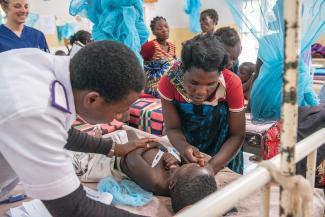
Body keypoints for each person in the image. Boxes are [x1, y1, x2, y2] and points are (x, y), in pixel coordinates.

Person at [0, 41, 158, 217]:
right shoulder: (34, 111)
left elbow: (60, 132)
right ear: (92, 99)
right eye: (119, 111)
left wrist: (113, 148)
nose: (124, 117)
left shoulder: (50, 68)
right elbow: (75, 209)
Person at [158, 34, 245, 175]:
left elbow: (237, 135)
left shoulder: (232, 84)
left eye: (210, 84)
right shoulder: (169, 82)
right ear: (183, 70)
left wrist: (212, 167)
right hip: (187, 147)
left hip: (224, 152)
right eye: (193, 82)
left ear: (220, 73)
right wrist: (184, 147)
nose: (201, 91)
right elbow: (173, 128)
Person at [107, 131, 217, 213]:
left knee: (129, 133)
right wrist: (165, 152)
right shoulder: (177, 171)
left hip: (120, 152)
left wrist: (153, 145)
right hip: (142, 145)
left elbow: (130, 156)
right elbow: (162, 148)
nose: (194, 164)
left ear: (173, 183)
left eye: (190, 168)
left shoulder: (155, 180)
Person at [140, 16, 176, 97]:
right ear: (154, 32)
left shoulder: (172, 46)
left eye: (166, 26)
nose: (164, 30)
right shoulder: (150, 46)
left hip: (168, 85)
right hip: (154, 88)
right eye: (159, 28)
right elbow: (138, 62)